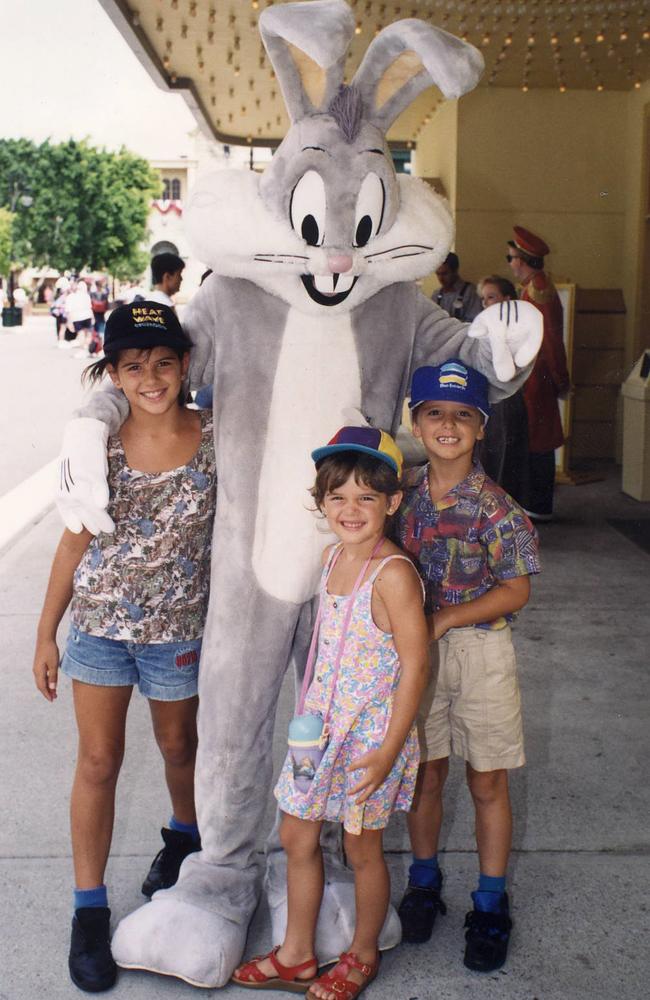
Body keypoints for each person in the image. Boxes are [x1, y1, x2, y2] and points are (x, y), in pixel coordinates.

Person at [32, 302, 216, 993]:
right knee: (100, 760)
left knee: (178, 750)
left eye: (163, 363)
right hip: (102, 630)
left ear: (185, 366)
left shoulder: (216, 439)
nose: (151, 378)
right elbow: (74, 539)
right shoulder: (96, 447)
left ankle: (184, 840)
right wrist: (45, 631)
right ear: (113, 372)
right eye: (134, 366)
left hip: (178, 636)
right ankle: (89, 910)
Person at [233, 426, 429, 999]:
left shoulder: (393, 575)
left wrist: (390, 749)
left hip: (369, 738)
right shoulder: (330, 559)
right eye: (337, 496)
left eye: (367, 497)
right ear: (320, 502)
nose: (351, 510)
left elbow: (415, 667)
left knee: (361, 847)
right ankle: (296, 954)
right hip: (317, 736)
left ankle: (362, 955)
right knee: (296, 835)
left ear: (392, 502)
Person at [394, 361, 540, 974]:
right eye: (434, 413)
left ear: (481, 428)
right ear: (416, 421)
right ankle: (424, 883)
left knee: (487, 779)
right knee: (426, 773)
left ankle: (489, 901)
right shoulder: (400, 495)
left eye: (461, 415)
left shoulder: (499, 508)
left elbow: (516, 591)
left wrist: (448, 619)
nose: (446, 425)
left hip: (480, 650)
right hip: (417, 653)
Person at [507, 226, 571, 521]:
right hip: (532, 375)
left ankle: (538, 503)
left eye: (511, 258)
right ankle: (533, 501)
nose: (510, 264)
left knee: (536, 440)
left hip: (538, 377)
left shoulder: (539, 290)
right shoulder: (533, 287)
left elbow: (551, 341)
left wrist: (560, 379)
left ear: (523, 260)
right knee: (532, 437)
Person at [476, 275, 529, 505]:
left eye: (491, 297)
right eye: (483, 299)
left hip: (505, 400)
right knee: (486, 454)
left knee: (504, 457)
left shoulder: (515, 330)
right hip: (487, 398)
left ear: (507, 300)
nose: (486, 303)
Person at [433, 252, 482, 323]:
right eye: (438, 274)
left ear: (455, 271)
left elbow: (474, 321)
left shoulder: (471, 292)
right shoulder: (436, 294)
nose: (441, 278)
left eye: (445, 274)